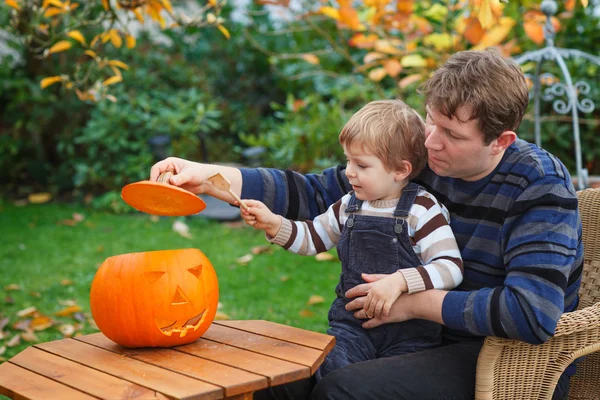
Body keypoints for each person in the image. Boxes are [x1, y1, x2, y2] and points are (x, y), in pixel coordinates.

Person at [150, 48, 583, 400]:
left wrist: (412, 301)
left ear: (500, 142)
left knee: (342, 391)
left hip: (497, 356)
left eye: (451, 133)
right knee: (276, 381)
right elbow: (318, 193)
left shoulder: (539, 185)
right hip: (401, 334)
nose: (431, 140)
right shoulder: (424, 160)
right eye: (430, 118)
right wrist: (205, 174)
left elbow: (532, 313)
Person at [237, 100, 463, 381]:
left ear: (400, 170)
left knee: (380, 387)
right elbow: (313, 238)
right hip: (353, 328)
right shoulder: (348, 206)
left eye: (361, 165)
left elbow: (450, 267)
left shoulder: (422, 210)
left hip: (411, 335)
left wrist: (400, 281)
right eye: (348, 160)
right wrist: (274, 224)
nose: (348, 172)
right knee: (326, 375)